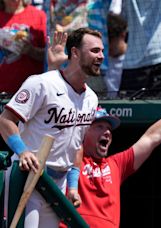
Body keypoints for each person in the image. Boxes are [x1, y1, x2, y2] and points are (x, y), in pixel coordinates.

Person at [0, 27, 103, 227]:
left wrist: (73, 186)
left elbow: (77, 145)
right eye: (95, 51)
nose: (101, 56)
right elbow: (5, 120)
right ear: (75, 52)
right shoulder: (41, 83)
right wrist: (22, 151)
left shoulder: (91, 97)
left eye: (101, 51)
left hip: (58, 183)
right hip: (27, 176)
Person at [74, 105, 161, 228]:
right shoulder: (68, 159)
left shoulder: (116, 164)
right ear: (83, 131)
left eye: (109, 129)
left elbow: (152, 137)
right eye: (99, 126)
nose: (107, 132)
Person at [0, 0, 46, 94]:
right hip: (3, 91)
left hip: (32, 92)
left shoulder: (39, 15)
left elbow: (48, 56)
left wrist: (31, 50)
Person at [103, 12, 127, 98]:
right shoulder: (99, 60)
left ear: (122, 35)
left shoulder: (132, 62)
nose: (107, 45)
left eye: (110, 39)